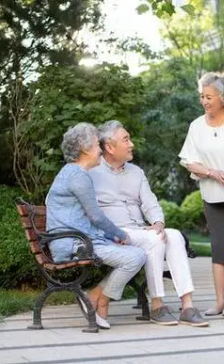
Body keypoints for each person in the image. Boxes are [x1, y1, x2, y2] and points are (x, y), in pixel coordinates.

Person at [89, 120, 208, 327]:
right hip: (115, 234)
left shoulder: (136, 172)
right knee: (154, 240)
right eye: (126, 140)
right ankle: (157, 305)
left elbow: (150, 202)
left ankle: (187, 305)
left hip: (140, 231)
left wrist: (158, 222)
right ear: (109, 147)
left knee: (174, 235)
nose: (131, 144)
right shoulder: (92, 172)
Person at [46, 122, 146, 330]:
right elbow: (96, 216)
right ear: (84, 149)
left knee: (135, 254)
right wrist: (120, 234)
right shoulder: (77, 175)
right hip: (73, 244)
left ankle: (95, 297)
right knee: (135, 256)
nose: (100, 149)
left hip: (79, 239)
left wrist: (111, 237)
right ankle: (97, 298)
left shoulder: (73, 173)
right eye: (96, 145)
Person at [178, 72, 224, 316]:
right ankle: (219, 302)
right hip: (212, 196)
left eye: (209, 97)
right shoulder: (196, 126)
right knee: (219, 248)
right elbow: (189, 162)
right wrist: (212, 173)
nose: (204, 101)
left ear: (223, 97)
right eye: (202, 96)